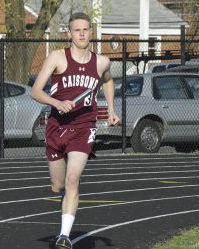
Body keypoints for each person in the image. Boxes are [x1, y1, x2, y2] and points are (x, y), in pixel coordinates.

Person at [30, 12, 120, 249]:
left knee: (72, 179)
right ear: (69, 33)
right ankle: (65, 203)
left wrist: (111, 108)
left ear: (91, 32)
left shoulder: (101, 62)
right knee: (58, 185)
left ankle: (64, 236)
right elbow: (35, 91)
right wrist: (56, 103)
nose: (82, 33)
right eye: (77, 30)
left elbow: (108, 80)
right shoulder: (57, 58)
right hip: (57, 126)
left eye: (86, 29)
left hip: (84, 126)